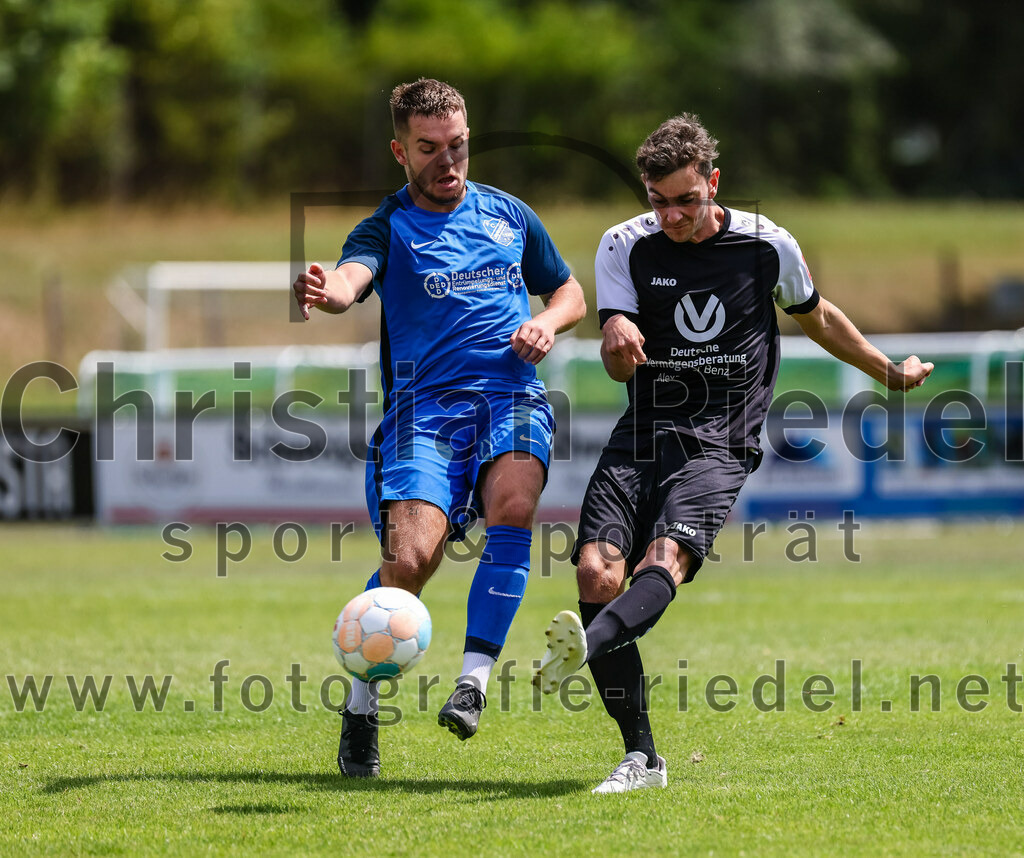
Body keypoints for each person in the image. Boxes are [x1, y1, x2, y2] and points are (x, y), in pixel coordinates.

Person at [533, 114, 933, 794]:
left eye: (685, 200)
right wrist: (615, 337)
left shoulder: (766, 245)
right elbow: (617, 356)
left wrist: (883, 369)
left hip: (721, 440)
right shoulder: (624, 247)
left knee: (667, 560)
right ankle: (642, 759)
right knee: (598, 578)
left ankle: (589, 647)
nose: (671, 215)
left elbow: (818, 315)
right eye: (658, 201)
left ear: (713, 184)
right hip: (642, 434)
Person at [293, 78, 586, 777]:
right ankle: (361, 707)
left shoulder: (511, 215)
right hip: (422, 417)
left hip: (511, 399)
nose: (447, 161)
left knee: (513, 507)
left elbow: (569, 291)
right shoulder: (385, 227)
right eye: (429, 149)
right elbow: (350, 279)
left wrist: (546, 323)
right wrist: (328, 291)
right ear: (400, 150)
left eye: (457, 145)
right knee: (412, 561)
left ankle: (472, 684)